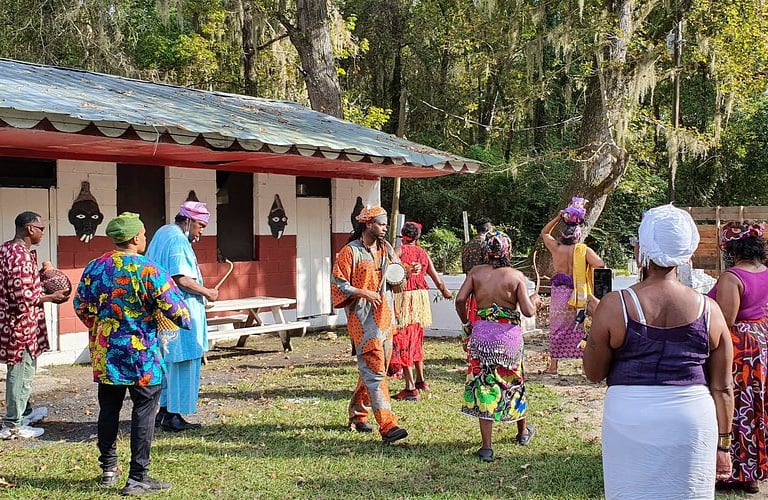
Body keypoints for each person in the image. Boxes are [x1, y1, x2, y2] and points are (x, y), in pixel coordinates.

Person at [583, 204, 734, 499]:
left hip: (630, 419)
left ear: (643, 251)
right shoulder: (709, 310)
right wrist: (723, 446)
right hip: (692, 420)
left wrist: (595, 322)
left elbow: (593, 373)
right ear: (688, 253)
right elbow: (723, 388)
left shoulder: (615, 305)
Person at [74, 212, 190, 495]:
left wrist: (102, 329)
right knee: (144, 413)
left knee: (109, 410)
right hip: (143, 358)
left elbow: (80, 306)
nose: (146, 238)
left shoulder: (94, 267)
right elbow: (180, 314)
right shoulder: (150, 271)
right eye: (144, 234)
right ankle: (138, 477)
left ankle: (108, 470)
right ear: (136, 237)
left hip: (107, 355)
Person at [455, 231, 539, 462]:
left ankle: (486, 447)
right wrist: (535, 300)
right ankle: (522, 433)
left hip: (481, 336)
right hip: (508, 339)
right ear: (508, 252)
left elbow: (461, 300)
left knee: (484, 385)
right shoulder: (515, 276)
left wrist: (467, 323)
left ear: (487, 252)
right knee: (514, 382)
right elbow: (528, 311)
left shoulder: (476, 273)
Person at [331, 205, 408, 444]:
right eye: (381, 223)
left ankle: (357, 413)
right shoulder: (349, 252)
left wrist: (405, 273)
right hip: (362, 322)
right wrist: (364, 292)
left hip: (386, 319)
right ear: (368, 224)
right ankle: (388, 425)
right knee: (375, 372)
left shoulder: (386, 249)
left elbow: (397, 280)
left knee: (376, 370)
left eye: (385, 223)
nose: (385, 227)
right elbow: (338, 284)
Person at [145, 196, 218, 432]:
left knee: (168, 362)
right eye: (200, 226)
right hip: (181, 311)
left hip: (163, 312)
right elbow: (181, 278)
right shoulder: (177, 240)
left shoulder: (163, 232)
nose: (201, 233)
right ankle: (174, 415)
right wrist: (207, 292)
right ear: (188, 221)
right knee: (183, 361)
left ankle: (164, 411)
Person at [707, 221, 768, 494]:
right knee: (758, 408)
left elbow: (726, 318)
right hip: (763, 340)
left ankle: (731, 472)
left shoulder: (732, 277)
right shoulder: (766, 272)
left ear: (733, 249)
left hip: (741, 348)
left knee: (737, 406)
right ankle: (753, 475)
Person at [0, 212, 69, 440]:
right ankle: (13, 425)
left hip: (17, 322)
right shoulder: (19, 256)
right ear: (30, 229)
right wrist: (52, 296)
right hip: (20, 325)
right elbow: (21, 296)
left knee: (24, 369)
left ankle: (25, 413)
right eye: (41, 228)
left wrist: (41, 276)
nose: (42, 232)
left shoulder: (8, 249)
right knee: (21, 371)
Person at [390, 221, 452, 401]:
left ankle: (410, 388)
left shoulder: (399, 251)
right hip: (421, 301)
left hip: (404, 299)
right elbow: (436, 278)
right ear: (418, 237)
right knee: (416, 338)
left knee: (403, 340)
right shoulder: (423, 253)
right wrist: (445, 292)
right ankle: (421, 381)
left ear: (402, 235)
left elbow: (391, 272)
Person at [541, 205, 604, 375]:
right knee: (580, 327)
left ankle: (553, 366)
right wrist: (584, 269)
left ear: (562, 235)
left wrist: (558, 216)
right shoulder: (583, 250)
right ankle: (584, 367)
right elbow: (599, 264)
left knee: (556, 328)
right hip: (579, 293)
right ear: (578, 236)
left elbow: (545, 233)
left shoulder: (556, 248)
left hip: (560, 293)